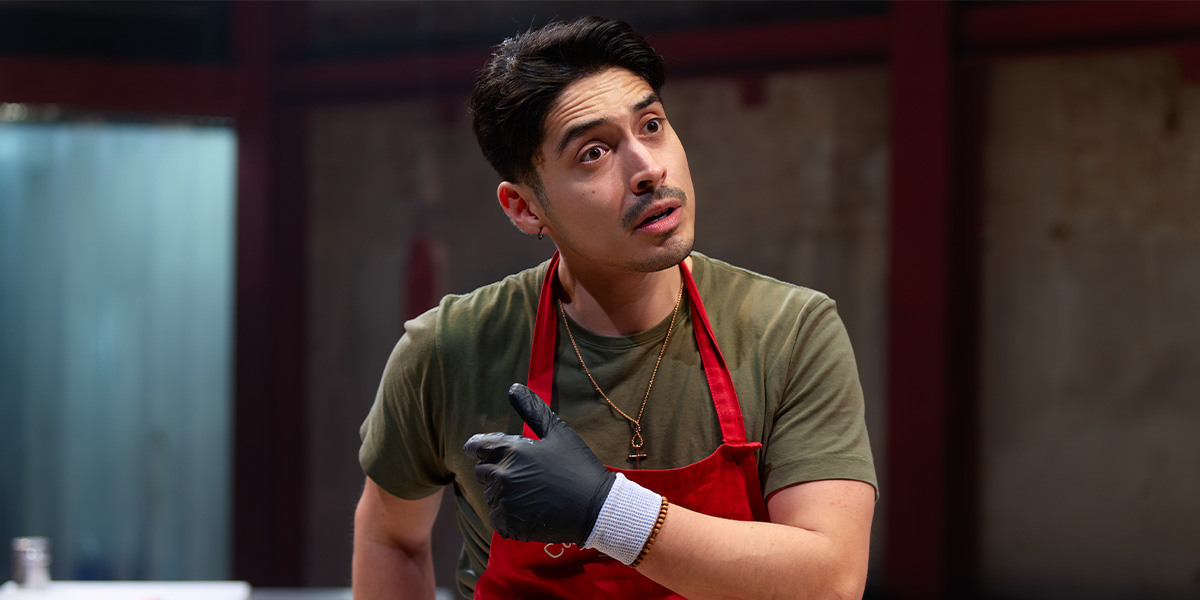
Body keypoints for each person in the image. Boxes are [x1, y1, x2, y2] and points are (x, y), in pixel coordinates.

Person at [353, 16, 877, 600]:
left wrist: (605, 512)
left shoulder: (788, 331)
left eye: (651, 125)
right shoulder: (450, 348)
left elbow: (831, 580)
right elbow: (390, 535)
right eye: (595, 152)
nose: (648, 169)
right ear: (526, 208)